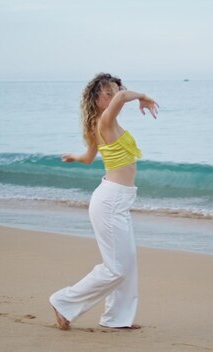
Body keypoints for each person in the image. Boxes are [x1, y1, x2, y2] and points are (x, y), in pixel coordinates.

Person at [49, 73, 159, 330]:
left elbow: (89, 158)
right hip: (109, 202)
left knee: (127, 264)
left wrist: (73, 157)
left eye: (114, 92)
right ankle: (63, 301)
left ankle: (117, 319)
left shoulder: (101, 124)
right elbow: (123, 96)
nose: (113, 97)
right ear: (96, 99)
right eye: (106, 94)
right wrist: (143, 97)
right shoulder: (106, 121)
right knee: (117, 267)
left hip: (117, 201)